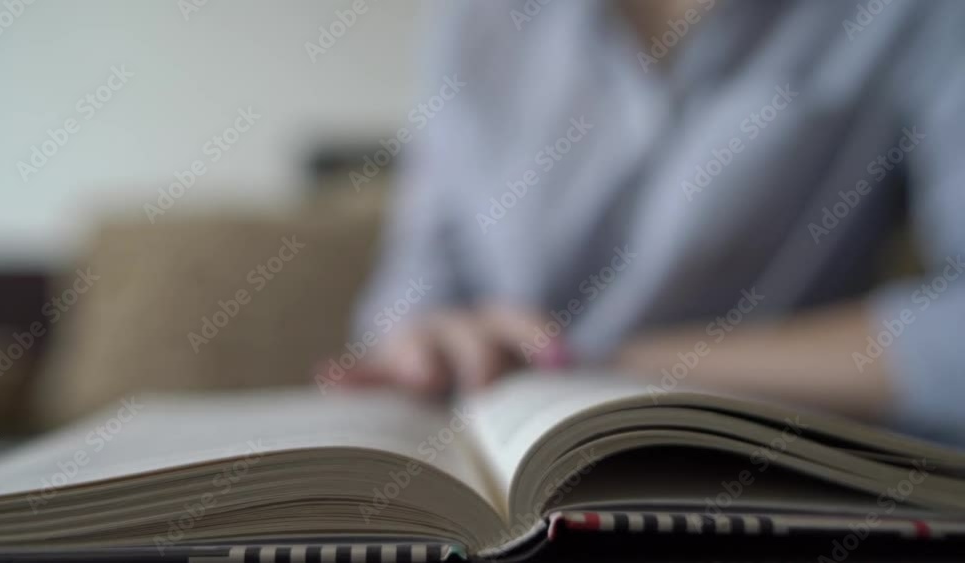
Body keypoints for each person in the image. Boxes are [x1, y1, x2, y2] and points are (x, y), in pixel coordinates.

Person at [342, 0, 965, 446]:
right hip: (495, 444)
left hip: (759, 470)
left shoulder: (910, 17)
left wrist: (622, 365)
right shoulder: (478, 18)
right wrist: (429, 343)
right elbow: (410, 290)